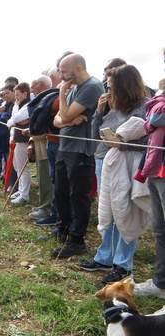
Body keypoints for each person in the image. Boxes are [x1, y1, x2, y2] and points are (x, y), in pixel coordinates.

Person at [79, 64, 149, 283]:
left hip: (131, 167)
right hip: (108, 163)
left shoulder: (145, 107)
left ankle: (123, 264)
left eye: (112, 87)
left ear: (124, 87)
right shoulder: (113, 107)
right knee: (108, 210)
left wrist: (121, 145)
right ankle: (105, 256)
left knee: (126, 212)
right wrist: (99, 114)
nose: (108, 91)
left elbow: (149, 142)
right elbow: (97, 136)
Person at [52, 54, 104, 258]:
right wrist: (67, 121)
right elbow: (57, 121)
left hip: (81, 149)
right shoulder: (74, 87)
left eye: (64, 71)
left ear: (79, 68)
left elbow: (62, 115)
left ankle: (77, 240)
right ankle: (64, 229)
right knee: (61, 190)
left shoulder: (91, 87)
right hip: (66, 145)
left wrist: (63, 95)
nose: (61, 75)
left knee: (78, 195)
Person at [133, 50, 165, 299]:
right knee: (159, 228)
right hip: (156, 165)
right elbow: (151, 116)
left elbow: (156, 116)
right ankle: (161, 283)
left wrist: (155, 117)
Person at [27, 75, 54, 220]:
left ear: (42, 85)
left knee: (46, 177)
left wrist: (33, 132)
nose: (31, 89)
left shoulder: (49, 99)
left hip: (46, 144)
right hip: (39, 143)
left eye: (34, 85)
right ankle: (43, 205)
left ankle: (46, 208)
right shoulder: (43, 99)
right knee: (41, 175)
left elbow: (45, 125)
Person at [8, 82, 32, 205]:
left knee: (23, 168)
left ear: (25, 93)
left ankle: (24, 195)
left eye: (18, 94)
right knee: (17, 166)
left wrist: (14, 121)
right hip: (17, 139)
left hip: (23, 141)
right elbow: (14, 118)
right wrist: (14, 121)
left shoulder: (28, 105)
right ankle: (21, 190)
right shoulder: (18, 105)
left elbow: (15, 119)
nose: (16, 97)